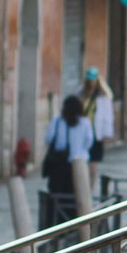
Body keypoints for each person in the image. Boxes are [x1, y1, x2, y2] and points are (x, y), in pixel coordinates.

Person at [41, 92, 93, 224]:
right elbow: (89, 142)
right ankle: (74, 228)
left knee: (56, 198)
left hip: (59, 167)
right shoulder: (85, 123)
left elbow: (48, 139)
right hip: (79, 166)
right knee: (76, 199)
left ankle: (55, 226)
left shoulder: (57, 121)